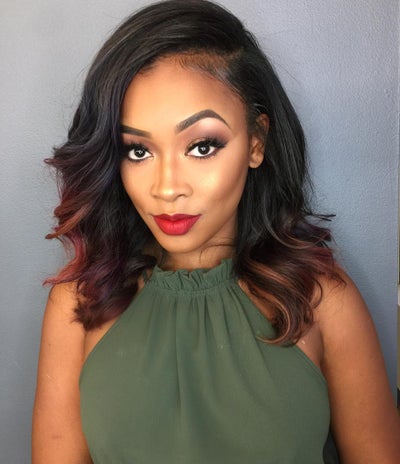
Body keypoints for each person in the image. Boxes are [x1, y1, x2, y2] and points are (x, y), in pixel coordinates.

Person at [32, 1, 400, 463]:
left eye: (202, 146)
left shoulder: (322, 299)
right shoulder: (80, 302)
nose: (168, 188)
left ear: (256, 142)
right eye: (139, 151)